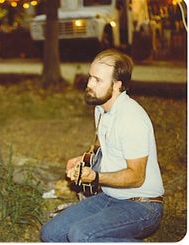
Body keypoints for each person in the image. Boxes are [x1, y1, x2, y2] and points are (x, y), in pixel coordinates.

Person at [40, 49, 164, 242]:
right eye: (90, 77)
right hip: (109, 197)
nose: (89, 84)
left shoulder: (131, 118)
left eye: (98, 80)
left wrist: (95, 177)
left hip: (143, 205)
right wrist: (82, 160)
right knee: (51, 234)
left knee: (81, 235)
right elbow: (102, 149)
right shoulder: (101, 109)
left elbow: (136, 177)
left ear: (117, 85)